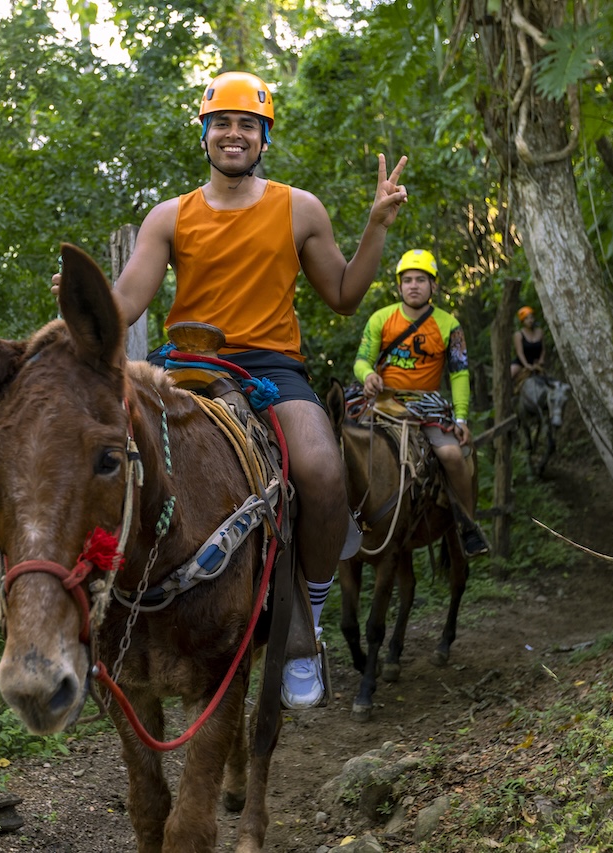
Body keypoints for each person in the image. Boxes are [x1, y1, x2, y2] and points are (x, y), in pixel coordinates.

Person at [60, 71, 408, 710]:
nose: (234, 133)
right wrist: (81, 306)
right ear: (204, 133)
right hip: (184, 363)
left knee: (322, 470)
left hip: (271, 367)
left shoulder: (299, 208)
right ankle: (88, 622)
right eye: (221, 122)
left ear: (264, 138)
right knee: (98, 459)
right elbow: (127, 301)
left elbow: (343, 294)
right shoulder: (170, 216)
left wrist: (377, 225)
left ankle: (307, 622)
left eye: (248, 124)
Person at [353, 249, 489, 559]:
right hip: (383, 401)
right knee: (345, 446)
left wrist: (461, 418)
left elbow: (459, 373)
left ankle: (467, 524)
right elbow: (361, 360)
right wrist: (368, 374)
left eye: (421, 280)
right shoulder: (380, 319)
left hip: (427, 405)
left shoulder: (449, 325)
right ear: (399, 286)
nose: (413, 285)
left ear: (433, 286)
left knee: (452, 455)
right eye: (408, 280)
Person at [511, 305, 547, 381]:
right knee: (510, 374)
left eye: (531, 317)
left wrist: (541, 360)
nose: (530, 320)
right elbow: (519, 352)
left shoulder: (540, 332)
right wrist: (526, 365)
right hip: (521, 363)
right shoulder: (519, 335)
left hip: (536, 363)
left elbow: (543, 349)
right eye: (526, 318)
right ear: (523, 321)